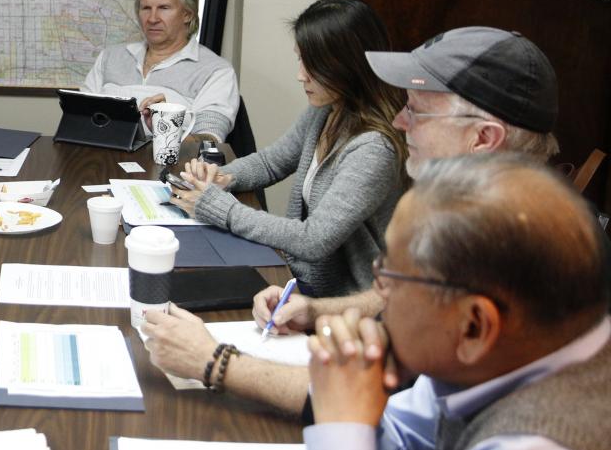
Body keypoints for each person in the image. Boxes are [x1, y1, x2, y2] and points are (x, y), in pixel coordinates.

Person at [142, 26, 560, 414]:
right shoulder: (479, 215)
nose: (399, 122)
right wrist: (317, 311)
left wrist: (215, 362)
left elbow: (379, 400)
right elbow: (394, 306)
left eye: (418, 111)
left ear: (483, 139)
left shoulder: (510, 259)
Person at [303, 155, 609, 450]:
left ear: (473, 326)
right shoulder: (507, 357)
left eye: (391, 276)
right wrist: (354, 400)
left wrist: (342, 432)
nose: (379, 292)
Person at [168, 0, 407, 298]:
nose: (300, 75)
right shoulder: (329, 109)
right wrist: (223, 176)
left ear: (348, 66)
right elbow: (272, 162)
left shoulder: (374, 147)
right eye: (300, 59)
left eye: (312, 65)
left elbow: (314, 239)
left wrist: (220, 208)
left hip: (344, 300)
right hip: (301, 275)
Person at [83, 0, 239, 141]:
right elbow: (79, 119)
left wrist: (166, 125)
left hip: (172, 167)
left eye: (164, 8)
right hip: (103, 162)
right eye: (146, 8)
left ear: (187, 14)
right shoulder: (109, 57)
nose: (153, 18)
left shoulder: (216, 71)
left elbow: (210, 141)